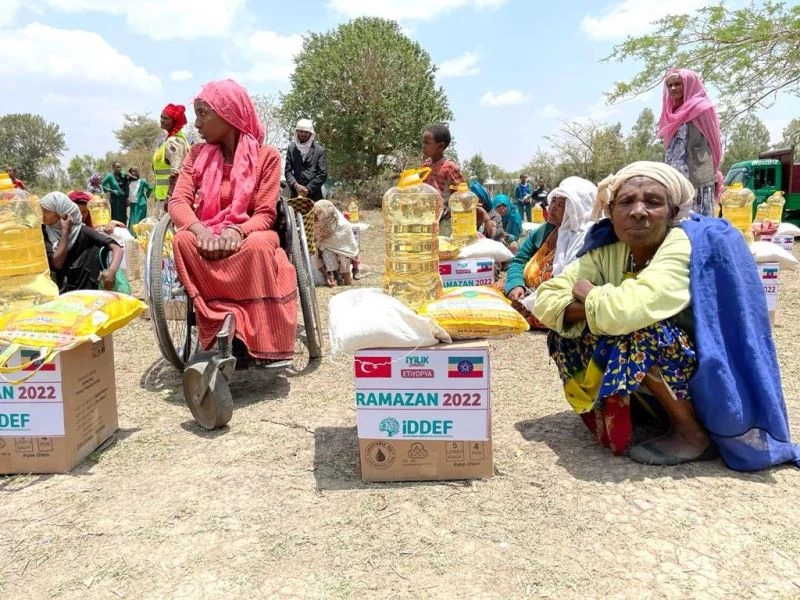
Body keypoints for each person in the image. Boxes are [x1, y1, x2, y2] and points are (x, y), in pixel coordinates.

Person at [534, 161, 800, 470]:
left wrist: (589, 293)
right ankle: (643, 412)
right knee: (568, 331)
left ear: (673, 213)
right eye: (627, 201)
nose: (638, 211)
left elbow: (629, 310)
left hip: (705, 380)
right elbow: (546, 299)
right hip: (663, 380)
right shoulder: (608, 247)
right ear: (612, 212)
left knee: (641, 331)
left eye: (653, 202)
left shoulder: (681, 244)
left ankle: (692, 432)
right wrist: (589, 307)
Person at [169, 79, 297, 362]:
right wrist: (200, 229)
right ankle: (217, 318)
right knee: (182, 240)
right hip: (207, 236)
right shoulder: (196, 155)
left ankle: (255, 335)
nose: (197, 124)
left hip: (250, 234)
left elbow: (265, 213)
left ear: (229, 114)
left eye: (204, 113)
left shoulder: (267, 157)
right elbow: (178, 202)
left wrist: (237, 230)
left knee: (259, 247)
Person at [501, 177, 596, 329]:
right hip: (523, 296)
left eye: (561, 205)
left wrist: (532, 303)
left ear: (577, 210)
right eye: (553, 201)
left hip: (547, 305)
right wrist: (515, 286)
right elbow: (518, 261)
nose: (551, 209)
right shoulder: (544, 231)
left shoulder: (584, 241)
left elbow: (570, 287)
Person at [659, 68, 723, 216]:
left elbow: (715, 143)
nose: (673, 88)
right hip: (675, 179)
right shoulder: (670, 113)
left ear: (689, 84)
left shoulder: (702, 108)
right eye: (670, 85)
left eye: (678, 84)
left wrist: (714, 171)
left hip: (697, 178)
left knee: (697, 224)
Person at [40, 191, 123, 292]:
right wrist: (65, 232)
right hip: (60, 293)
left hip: (86, 291)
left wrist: (111, 272)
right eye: (42, 211)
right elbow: (57, 263)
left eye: (47, 211)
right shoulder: (45, 233)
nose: (43, 215)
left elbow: (116, 247)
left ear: (61, 213)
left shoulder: (82, 231)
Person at [421, 123, 464, 238]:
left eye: (427, 143)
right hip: (426, 216)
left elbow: (462, 193)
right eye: (423, 142)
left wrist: (450, 211)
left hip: (443, 219)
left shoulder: (450, 167)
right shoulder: (425, 165)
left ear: (440, 146)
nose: (423, 146)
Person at [152, 103, 191, 219]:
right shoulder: (170, 139)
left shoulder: (174, 142)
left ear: (174, 121)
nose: (161, 120)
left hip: (168, 197)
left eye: (165, 118)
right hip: (163, 194)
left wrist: (170, 198)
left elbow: (176, 172)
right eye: (161, 117)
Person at [312, 200, 359, 287]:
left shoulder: (343, 227)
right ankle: (334, 275)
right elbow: (313, 252)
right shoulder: (315, 224)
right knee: (325, 252)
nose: (319, 223)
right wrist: (327, 275)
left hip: (343, 262)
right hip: (325, 266)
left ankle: (344, 275)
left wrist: (346, 275)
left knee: (343, 256)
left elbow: (347, 251)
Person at [284, 119, 327, 202]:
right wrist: (296, 185)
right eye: (301, 131)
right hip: (295, 194)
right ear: (297, 132)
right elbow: (288, 172)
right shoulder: (291, 148)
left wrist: (308, 189)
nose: (303, 134)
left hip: (315, 196)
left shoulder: (319, 150)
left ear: (311, 133)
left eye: (306, 132)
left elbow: (323, 174)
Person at [126, 167, 153, 232]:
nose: (133, 173)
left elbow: (150, 188)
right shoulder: (129, 182)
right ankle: (132, 235)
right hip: (132, 204)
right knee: (132, 220)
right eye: (131, 171)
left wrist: (147, 194)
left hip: (140, 204)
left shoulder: (141, 181)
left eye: (135, 171)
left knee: (138, 220)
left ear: (137, 173)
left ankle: (138, 236)